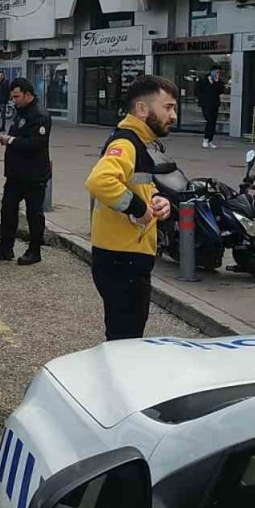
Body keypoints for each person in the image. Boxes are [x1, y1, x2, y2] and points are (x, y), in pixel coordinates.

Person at [85, 75, 177, 340]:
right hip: (122, 259)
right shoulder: (126, 143)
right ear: (141, 109)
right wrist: (139, 209)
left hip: (124, 255)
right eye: (167, 107)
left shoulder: (140, 143)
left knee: (124, 335)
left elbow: (138, 184)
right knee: (125, 341)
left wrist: (158, 200)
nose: (173, 115)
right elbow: (99, 181)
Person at [0, 78, 52, 266]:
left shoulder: (39, 115)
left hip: (33, 174)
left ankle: (34, 251)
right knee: (8, 209)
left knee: (33, 214)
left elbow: (35, 143)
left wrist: (10, 140)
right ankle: (5, 247)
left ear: (28, 95)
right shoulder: (21, 112)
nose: (14, 100)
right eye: (12, 97)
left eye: (16, 97)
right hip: (16, 174)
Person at [197, 65, 225, 149]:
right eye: (216, 72)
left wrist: (216, 82)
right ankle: (205, 139)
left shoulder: (218, 81)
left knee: (213, 122)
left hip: (214, 104)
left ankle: (210, 140)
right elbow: (198, 90)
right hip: (206, 104)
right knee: (209, 120)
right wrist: (201, 99)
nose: (217, 74)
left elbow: (221, 90)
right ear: (212, 72)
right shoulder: (204, 80)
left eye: (219, 72)